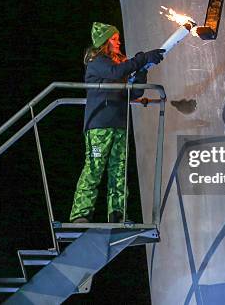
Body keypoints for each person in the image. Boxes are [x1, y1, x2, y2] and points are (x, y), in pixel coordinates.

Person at [70, 22, 165, 223]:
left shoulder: (118, 65)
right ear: (104, 43)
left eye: (117, 38)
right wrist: (141, 58)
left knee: (119, 170)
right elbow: (115, 73)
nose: (118, 41)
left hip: (120, 125)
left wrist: (143, 69)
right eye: (114, 38)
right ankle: (81, 214)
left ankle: (117, 214)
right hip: (99, 125)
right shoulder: (98, 62)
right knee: (94, 168)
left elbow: (135, 91)